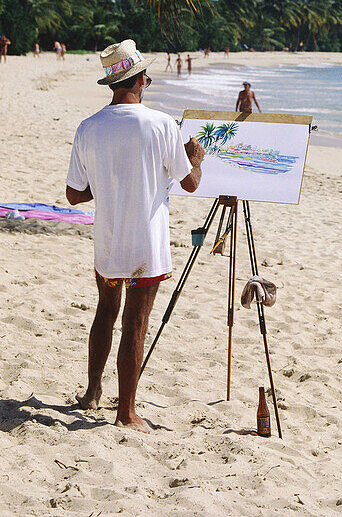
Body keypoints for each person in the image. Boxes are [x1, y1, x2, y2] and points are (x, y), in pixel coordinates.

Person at [66, 39, 206, 431]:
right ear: (142, 79)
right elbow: (191, 183)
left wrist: (110, 183)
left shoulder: (88, 127)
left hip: (107, 241)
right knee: (136, 322)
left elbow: (74, 194)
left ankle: (93, 392)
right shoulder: (161, 125)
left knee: (105, 312)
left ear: (112, 84)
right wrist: (194, 157)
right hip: (147, 240)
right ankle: (126, 413)